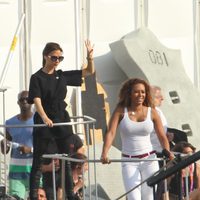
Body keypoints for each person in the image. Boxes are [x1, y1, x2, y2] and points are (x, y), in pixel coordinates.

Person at [28, 40, 94, 200]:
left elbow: (87, 72)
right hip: (45, 119)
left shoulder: (61, 75)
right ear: (45, 56)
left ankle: (70, 195)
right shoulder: (37, 77)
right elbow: (36, 99)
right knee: (38, 159)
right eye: (54, 57)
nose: (57, 61)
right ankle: (34, 195)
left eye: (60, 58)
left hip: (61, 117)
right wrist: (44, 117)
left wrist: (90, 57)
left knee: (65, 157)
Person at [101, 78, 173, 200]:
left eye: (143, 92)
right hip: (129, 161)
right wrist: (104, 153)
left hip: (149, 160)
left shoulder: (152, 112)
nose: (140, 95)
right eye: (136, 92)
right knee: (134, 197)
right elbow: (111, 132)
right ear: (129, 93)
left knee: (149, 197)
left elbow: (162, 136)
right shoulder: (120, 110)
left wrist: (168, 151)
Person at [2, 90, 34, 200]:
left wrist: (30, 150)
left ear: (32, 101)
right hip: (16, 172)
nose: (25, 101)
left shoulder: (39, 121)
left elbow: (46, 146)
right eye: (22, 99)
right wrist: (3, 143)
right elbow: (5, 150)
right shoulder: (9, 123)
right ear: (18, 103)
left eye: (27, 99)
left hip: (35, 170)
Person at [41, 133, 85, 199]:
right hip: (51, 184)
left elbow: (81, 158)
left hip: (69, 182)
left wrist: (65, 162)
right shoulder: (44, 140)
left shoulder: (73, 138)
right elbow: (36, 167)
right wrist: (48, 167)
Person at [150, 86, 168, 153]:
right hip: (149, 153)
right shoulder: (145, 113)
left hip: (161, 152)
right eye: (159, 96)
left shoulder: (159, 111)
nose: (162, 98)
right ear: (150, 98)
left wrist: (166, 133)